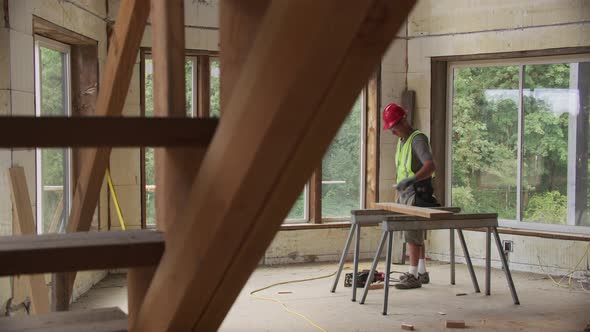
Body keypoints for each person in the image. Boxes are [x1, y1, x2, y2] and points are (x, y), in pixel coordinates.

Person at [382, 103, 439, 290]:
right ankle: (422, 272)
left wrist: (412, 179)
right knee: (416, 232)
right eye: (390, 128)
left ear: (404, 120)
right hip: (406, 193)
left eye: (394, 127)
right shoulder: (402, 141)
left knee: (412, 233)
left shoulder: (417, 139)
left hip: (417, 193)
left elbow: (430, 166)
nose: (392, 132)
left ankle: (412, 274)